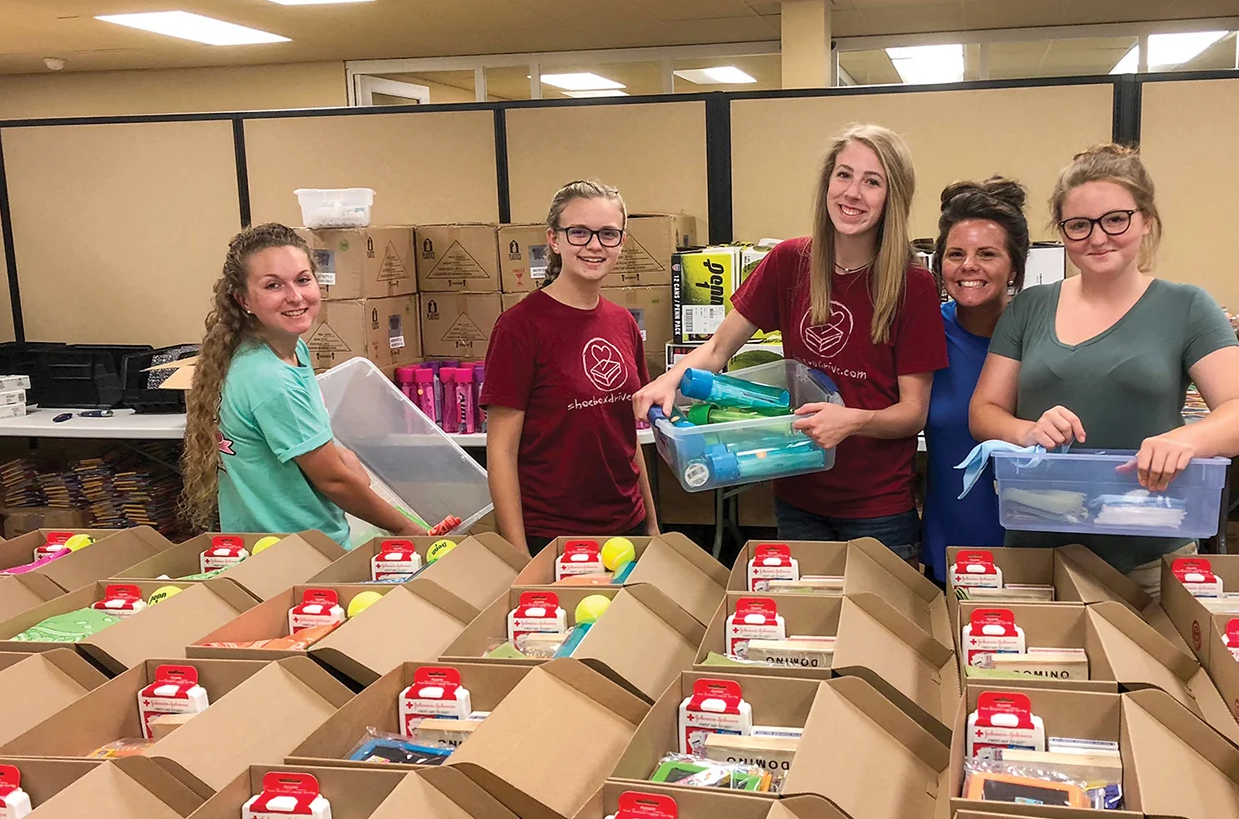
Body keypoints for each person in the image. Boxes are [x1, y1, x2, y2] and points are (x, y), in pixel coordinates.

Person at [634, 124, 947, 564]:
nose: (853, 193)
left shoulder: (912, 285)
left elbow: (913, 412)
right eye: (844, 175)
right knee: (803, 629)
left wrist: (852, 420)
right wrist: (670, 379)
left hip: (877, 511)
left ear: (892, 197)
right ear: (827, 183)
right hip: (796, 492)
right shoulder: (789, 262)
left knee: (876, 630)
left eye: (872, 181)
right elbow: (719, 348)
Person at [968, 143, 1239, 595]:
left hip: (1150, 557)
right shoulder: (1030, 307)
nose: (1097, 237)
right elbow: (984, 412)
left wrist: (1184, 440)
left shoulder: (1186, 307)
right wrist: (1027, 432)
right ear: (1063, 232)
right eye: (1079, 225)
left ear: (1146, 220)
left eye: (1116, 219)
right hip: (1040, 554)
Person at [181, 223, 442, 545]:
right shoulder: (270, 377)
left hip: (284, 542)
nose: (295, 297)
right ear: (243, 299)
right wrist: (405, 529)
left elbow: (322, 454)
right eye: (273, 285)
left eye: (303, 280)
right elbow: (334, 481)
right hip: (295, 553)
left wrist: (345, 462)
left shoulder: (283, 349)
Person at [482, 180, 659, 556]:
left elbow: (625, 435)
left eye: (608, 234)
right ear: (554, 239)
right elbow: (500, 452)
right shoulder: (519, 327)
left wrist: (653, 525)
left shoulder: (623, 322)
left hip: (628, 527)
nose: (595, 245)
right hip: (552, 538)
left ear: (622, 242)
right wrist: (518, 556)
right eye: (579, 232)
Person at [921, 178, 1030, 584]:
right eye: (956, 254)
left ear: (1015, 266)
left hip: (1034, 551)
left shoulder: (1043, 335)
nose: (969, 266)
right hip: (949, 550)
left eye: (987, 254)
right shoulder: (925, 335)